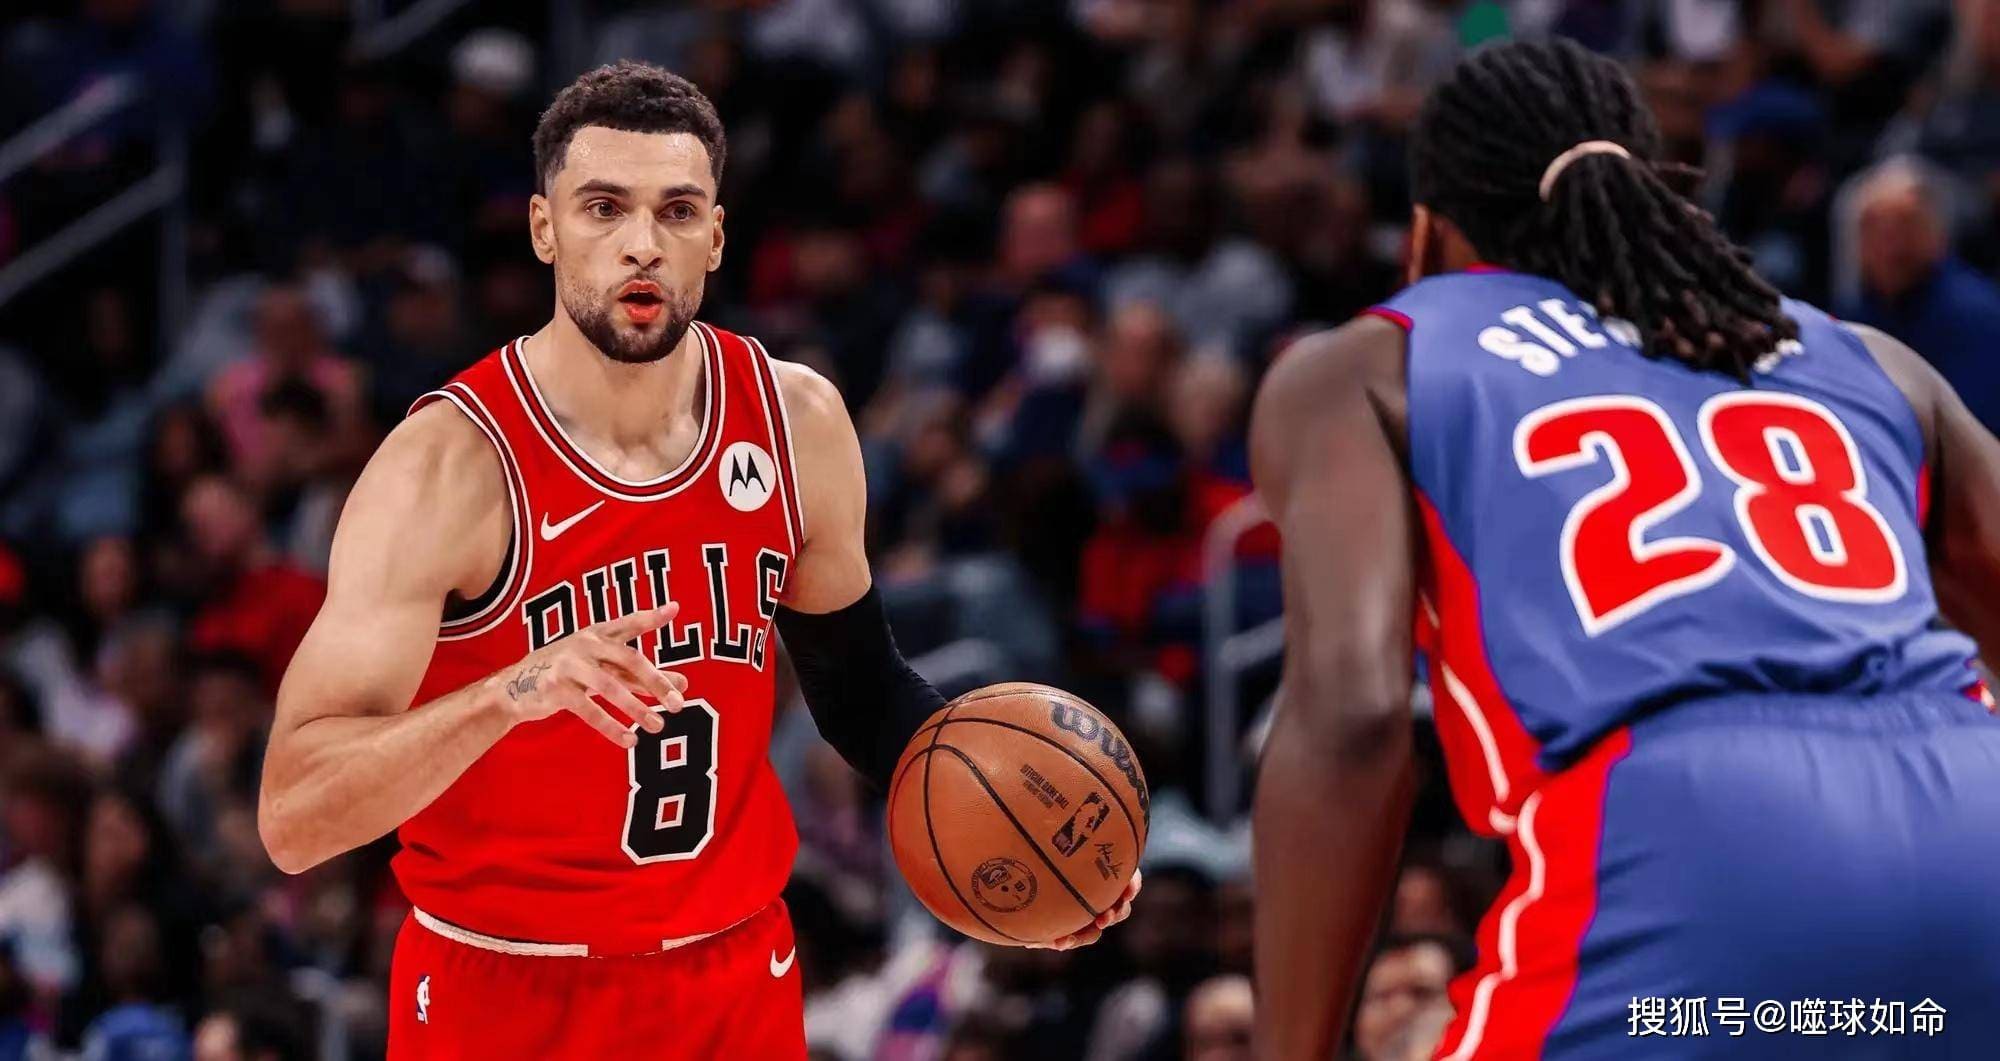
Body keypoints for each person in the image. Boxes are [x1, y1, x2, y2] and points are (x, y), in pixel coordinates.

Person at [256, 61, 1137, 1059]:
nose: (642, 243)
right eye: (603, 208)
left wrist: (1038, 834)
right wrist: (507, 692)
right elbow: (293, 815)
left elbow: (862, 695)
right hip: (504, 987)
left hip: (734, 979)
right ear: (544, 229)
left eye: (676, 210)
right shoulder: (447, 467)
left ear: (714, 237)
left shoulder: (795, 420)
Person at [1251, 37, 2000, 1059]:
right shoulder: (1868, 358)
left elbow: (1353, 716)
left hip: (1692, 847)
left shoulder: (1373, 363)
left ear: (1429, 232)